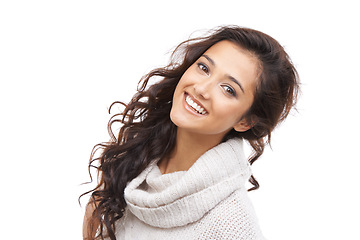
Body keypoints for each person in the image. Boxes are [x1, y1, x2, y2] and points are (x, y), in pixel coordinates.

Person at [81, 25, 299, 240]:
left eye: (228, 89)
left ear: (245, 121)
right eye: (204, 68)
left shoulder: (232, 224)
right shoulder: (134, 158)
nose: (201, 89)